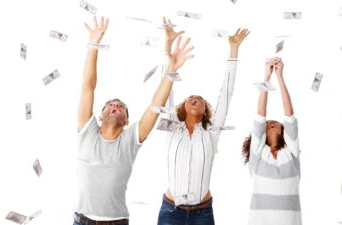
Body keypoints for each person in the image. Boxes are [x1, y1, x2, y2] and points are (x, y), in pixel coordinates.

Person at [73, 16, 194, 225]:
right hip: (81, 221)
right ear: (99, 116)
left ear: (126, 121)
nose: (115, 106)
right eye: (110, 104)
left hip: (117, 221)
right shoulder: (87, 131)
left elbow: (156, 104)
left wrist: (172, 68)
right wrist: (93, 44)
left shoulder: (130, 140)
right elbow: (88, 86)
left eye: (121, 107)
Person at [156, 21, 250, 225]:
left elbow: (227, 93)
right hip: (171, 212)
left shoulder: (211, 131)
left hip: (202, 214)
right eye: (191, 97)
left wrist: (233, 49)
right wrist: (168, 50)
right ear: (182, 106)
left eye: (200, 98)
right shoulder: (172, 127)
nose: (195, 98)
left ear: (206, 110)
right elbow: (166, 91)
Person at [242, 57, 302, 225]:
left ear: (284, 131)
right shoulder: (257, 156)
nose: (271, 123)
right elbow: (260, 114)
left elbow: (289, 115)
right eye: (267, 124)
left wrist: (280, 76)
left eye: (275, 122)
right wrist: (266, 77)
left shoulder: (291, 154)